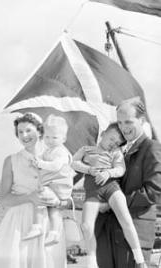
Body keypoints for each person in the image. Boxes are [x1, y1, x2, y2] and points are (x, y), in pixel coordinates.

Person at [86, 98, 161, 268]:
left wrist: (113, 204)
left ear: (142, 121)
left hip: (134, 235)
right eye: (119, 122)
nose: (123, 127)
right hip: (106, 234)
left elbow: (154, 191)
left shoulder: (152, 148)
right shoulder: (115, 150)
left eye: (128, 121)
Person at [0, 113, 67, 268]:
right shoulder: (11, 161)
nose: (24, 135)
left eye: (28, 130)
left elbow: (66, 192)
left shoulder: (57, 158)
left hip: (49, 223)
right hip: (19, 223)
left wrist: (58, 201)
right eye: (20, 132)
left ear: (40, 131)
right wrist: (30, 197)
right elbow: (4, 199)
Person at [72, 122, 146, 268]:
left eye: (118, 143)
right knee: (86, 226)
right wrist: (88, 169)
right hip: (93, 191)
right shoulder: (86, 150)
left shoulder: (116, 152)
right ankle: (91, 263)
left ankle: (140, 260)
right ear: (103, 133)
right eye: (112, 139)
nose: (114, 144)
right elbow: (73, 163)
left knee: (125, 219)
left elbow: (120, 169)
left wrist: (108, 172)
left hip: (111, 187)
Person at [23, 115, 74, 247]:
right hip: (53, 185)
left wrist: (40, 163)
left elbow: (55, 166)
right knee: (53, 210)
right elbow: (41, 157)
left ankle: (38, 226)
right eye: (47, 137)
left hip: (60, 186)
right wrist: (35, 159)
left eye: (54, 137)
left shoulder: (61, 152)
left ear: (64, 138)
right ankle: (54, 233)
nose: (50, 140)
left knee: (39, 196)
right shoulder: (48, 150)